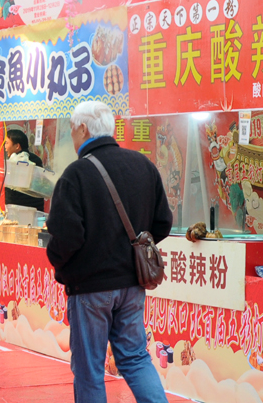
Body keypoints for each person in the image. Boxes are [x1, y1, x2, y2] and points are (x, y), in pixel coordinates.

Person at [46, 101, 173, 403]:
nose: (72, 137)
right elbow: (163, 223)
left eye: (72, 130)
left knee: (89, 369)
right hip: (132, 285)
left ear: (83, 129)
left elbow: (66, 237)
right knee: (135, 358)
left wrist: (58, 260)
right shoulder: (143, 165)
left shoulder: (75, 175)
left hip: (89, 289)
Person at [3, 129, 46, 211]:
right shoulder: (36, 159)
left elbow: (11, 193)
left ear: (17, 146)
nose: (5, 147)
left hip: (20, 211)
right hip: (36, 210)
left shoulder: (15, 163)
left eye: (7, 143)